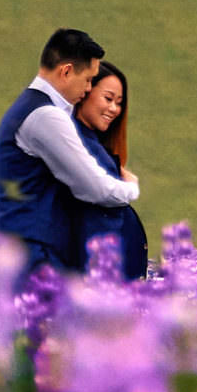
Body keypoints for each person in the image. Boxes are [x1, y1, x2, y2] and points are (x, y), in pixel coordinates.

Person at [0, 28, 140, 277]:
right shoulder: (47, 116)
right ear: (67, 71)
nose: (89, 87)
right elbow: (94, 188)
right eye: (88, 79)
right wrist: (131, 187)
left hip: (24, 250)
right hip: (35, 254)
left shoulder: (31, 107)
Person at [72, 62, 149, 280]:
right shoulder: (82, 149)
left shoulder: (87, 145)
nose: (114, 109)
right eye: (108, 98)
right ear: (84, 92)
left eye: (119, 103)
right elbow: (98, 228)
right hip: (102, 291)